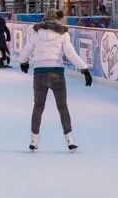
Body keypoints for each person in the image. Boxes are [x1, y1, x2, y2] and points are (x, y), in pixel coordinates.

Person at [18, 9, 93, 152]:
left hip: (40, 73)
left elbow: (27, 49)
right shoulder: (62, 33)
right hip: (56, 73)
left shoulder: (36, 32)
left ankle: (34, 140)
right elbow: (70, 53)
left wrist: (23, 61)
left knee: (38, 107)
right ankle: (70, 140)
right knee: (62, 107)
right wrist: (84, 69)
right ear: (57, 19)